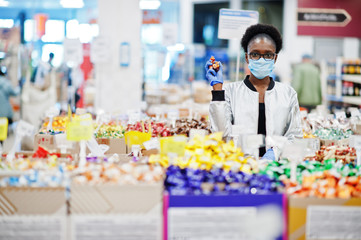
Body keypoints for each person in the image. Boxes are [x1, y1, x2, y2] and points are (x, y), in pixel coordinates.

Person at [206, 23, 302, 158]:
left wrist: (275, 152)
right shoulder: (230, 91)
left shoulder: (288, 94)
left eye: (268, 55)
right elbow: (221, 134)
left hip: (275, 166)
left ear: (275, 58)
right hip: (239, 164)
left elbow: (295, 136)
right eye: (255, 54)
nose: (261, 60)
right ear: (247, 57)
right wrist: (217, 91)